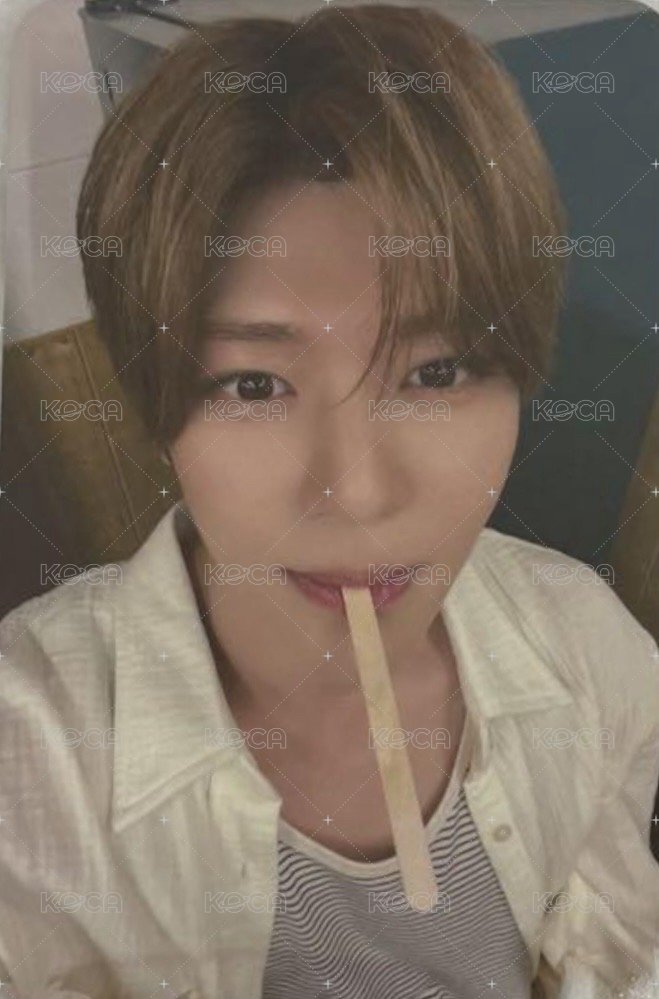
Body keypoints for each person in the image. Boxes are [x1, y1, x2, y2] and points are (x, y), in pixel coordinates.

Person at [0, 5, 657, 998]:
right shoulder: (30, 768)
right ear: (156, 406)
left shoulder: (593, 654)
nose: (355, 491)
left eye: (435, 373)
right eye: (253, 385)